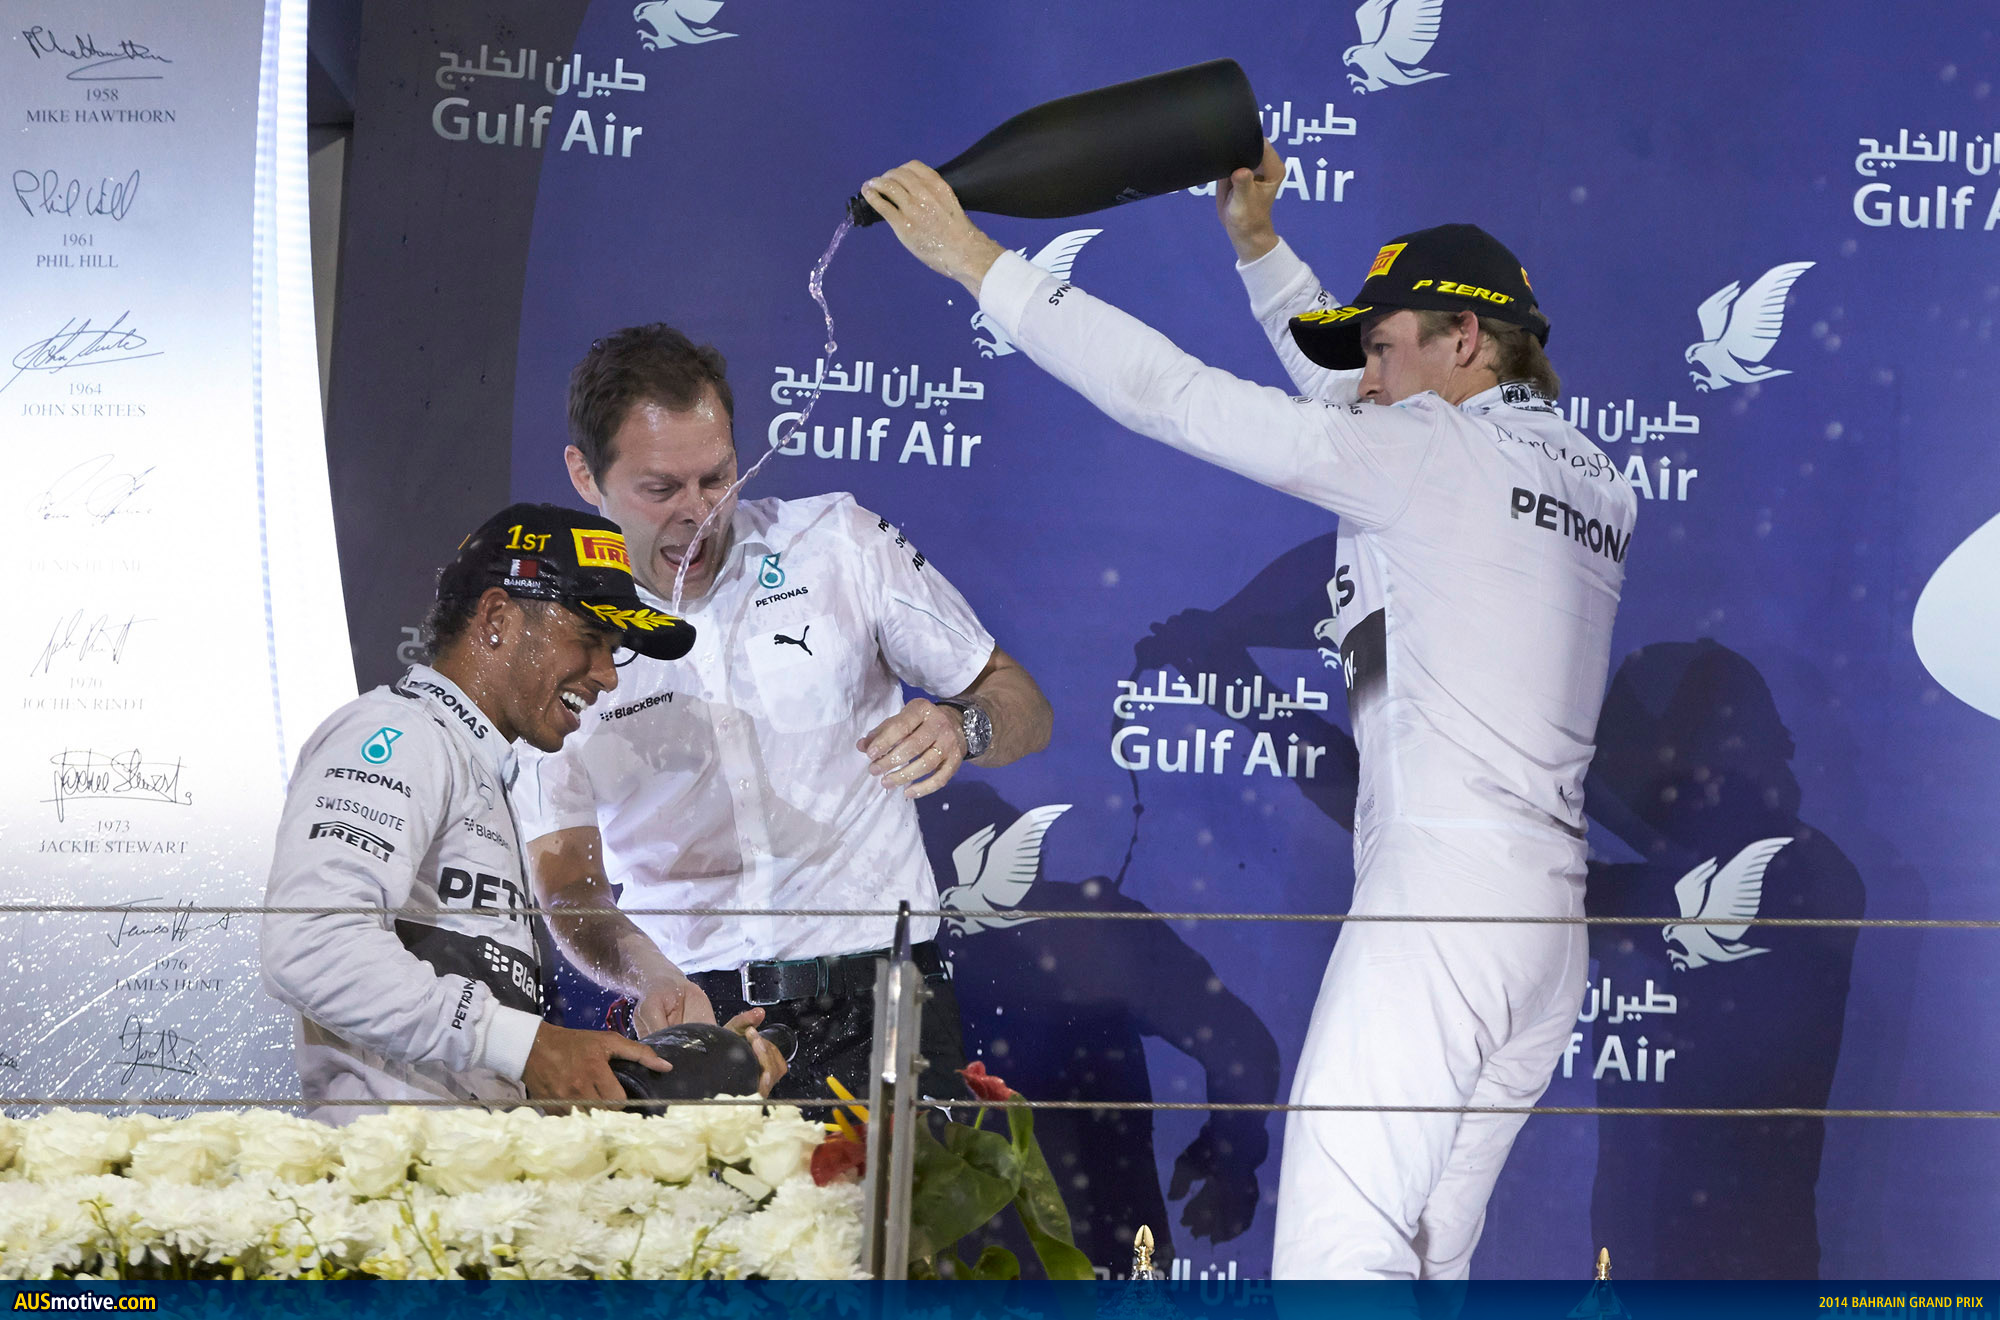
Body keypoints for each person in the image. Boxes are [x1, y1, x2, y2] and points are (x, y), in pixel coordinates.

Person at [859, 143, 1636, 1278]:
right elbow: (1355, 408)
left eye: (1382, 348)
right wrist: (1260, 249)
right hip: (1542, 930)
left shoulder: (1426, 453)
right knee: (1428, 1256)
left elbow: (1171, 396)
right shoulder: (1592, 476)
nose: (1366, 378)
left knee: (1338, 1252)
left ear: (1465, 339)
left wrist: (975, 261)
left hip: (1443, 904)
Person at [518, 324, 1054, 1102]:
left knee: (916, 1191)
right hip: (699, 1015)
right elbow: (567, 879)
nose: (698, 514)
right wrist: (650, 975)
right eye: (661, 489)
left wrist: (962, 726)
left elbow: (1021, 702)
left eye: (717, 478)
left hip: (885, 997)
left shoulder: (839, 544)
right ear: (585, 475)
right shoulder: (553, 635)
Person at [261, 502, 779, 1120]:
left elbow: (474, 1073)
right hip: (389, 1173)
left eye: (615, 650)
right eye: (590, 640)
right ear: (497, 618)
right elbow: (309, 941)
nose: (608, 676)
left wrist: (693, 1070)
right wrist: (531, 1046)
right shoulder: (398, 733)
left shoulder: (484, 770)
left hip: (458, 1168)